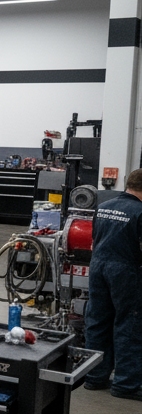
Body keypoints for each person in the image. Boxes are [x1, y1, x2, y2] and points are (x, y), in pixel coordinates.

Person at [83, 167, 142, 400]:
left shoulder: (104, 207)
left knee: (97, 322)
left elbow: (95, 239)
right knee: (130, 324)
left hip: (98, 268)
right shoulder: (140, 212)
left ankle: (94, 377)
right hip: (125, 271)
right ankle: (125, 386)